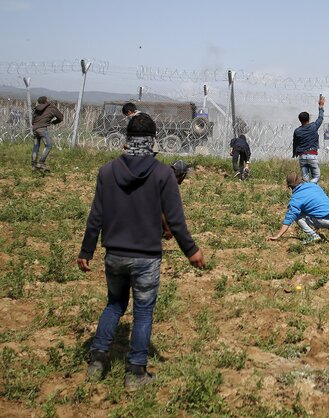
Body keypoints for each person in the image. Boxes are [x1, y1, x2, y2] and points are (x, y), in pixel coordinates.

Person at [77, 114, 205, 391]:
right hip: (146, 257)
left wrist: (86, 250)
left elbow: (96, 215)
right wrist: (191, 251)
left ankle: (97, 362)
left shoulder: (107, 171)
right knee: (143, 313)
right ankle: (135, 373)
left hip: (114, 255)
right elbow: (175, 220)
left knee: (114, 305)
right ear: (153, 140)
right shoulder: (163, 174)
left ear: (126, 139)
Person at [268, 172, 329, 244]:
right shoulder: (313, 185)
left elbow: (288, 219)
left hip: (324, 220)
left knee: (297, 215)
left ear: (290, 186)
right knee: (319, 210)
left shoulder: (296, 198)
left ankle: (313, 236)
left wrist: (277, 236)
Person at [292, 95, 326, 183]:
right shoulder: (313, 126)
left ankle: (306, 187)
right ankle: (311, 186)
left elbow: (295, 142)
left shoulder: (297, 131)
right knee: (316, 176)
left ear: (300, 120)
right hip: (312, 155)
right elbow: (320, 118)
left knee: (305, 178)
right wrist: (321, 106)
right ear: (309, 119)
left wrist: (294, 152)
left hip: (302, 156)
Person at [30, 96, 64, 171]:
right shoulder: (51, 107)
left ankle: (33, 165)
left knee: (36, 146)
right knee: (48, 145)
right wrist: (54, 122)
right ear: (46, 101)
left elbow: (33, 120)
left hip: (35, 129)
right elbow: (61, 117)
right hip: (42, 129)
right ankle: (41, 162)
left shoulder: (36, 108)